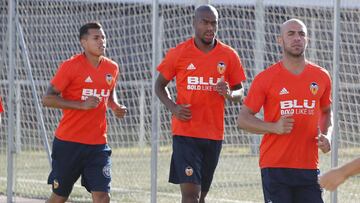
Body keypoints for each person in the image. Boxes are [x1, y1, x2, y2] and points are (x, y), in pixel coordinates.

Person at [155, 4, 246, 203]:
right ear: (195, 23)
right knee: (191, 196)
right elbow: (159, 86)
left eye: (214, 23)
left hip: (214, 134)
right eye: (205, 22)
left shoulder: (229, 55)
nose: (210, 27)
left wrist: (230, 94)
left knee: (201, 196)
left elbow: (240, 92)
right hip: (185, 134)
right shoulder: (179, 53)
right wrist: (173, 107)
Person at [237, 18, 332, 203]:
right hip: (275, 166)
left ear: (307, 39)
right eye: (291, 34)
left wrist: (327, 135)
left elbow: (327, 111)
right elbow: (243, 119)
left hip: (308, 167)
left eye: (301, 34)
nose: (297, 38)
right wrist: (274, 127)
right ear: (279, 40)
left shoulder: (321, 76)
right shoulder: (265, 78)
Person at [42, 22, 127, 203]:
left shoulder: (112, 68)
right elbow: (47, 99)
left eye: (103, 37)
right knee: (59, 197)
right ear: (83, 42)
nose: (102, 41)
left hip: (98, 145)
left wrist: (116, 107)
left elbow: (109, 96)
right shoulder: (70, 66)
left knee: (103, 196)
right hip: (68, 143)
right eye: (96, 38)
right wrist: (81, 105)